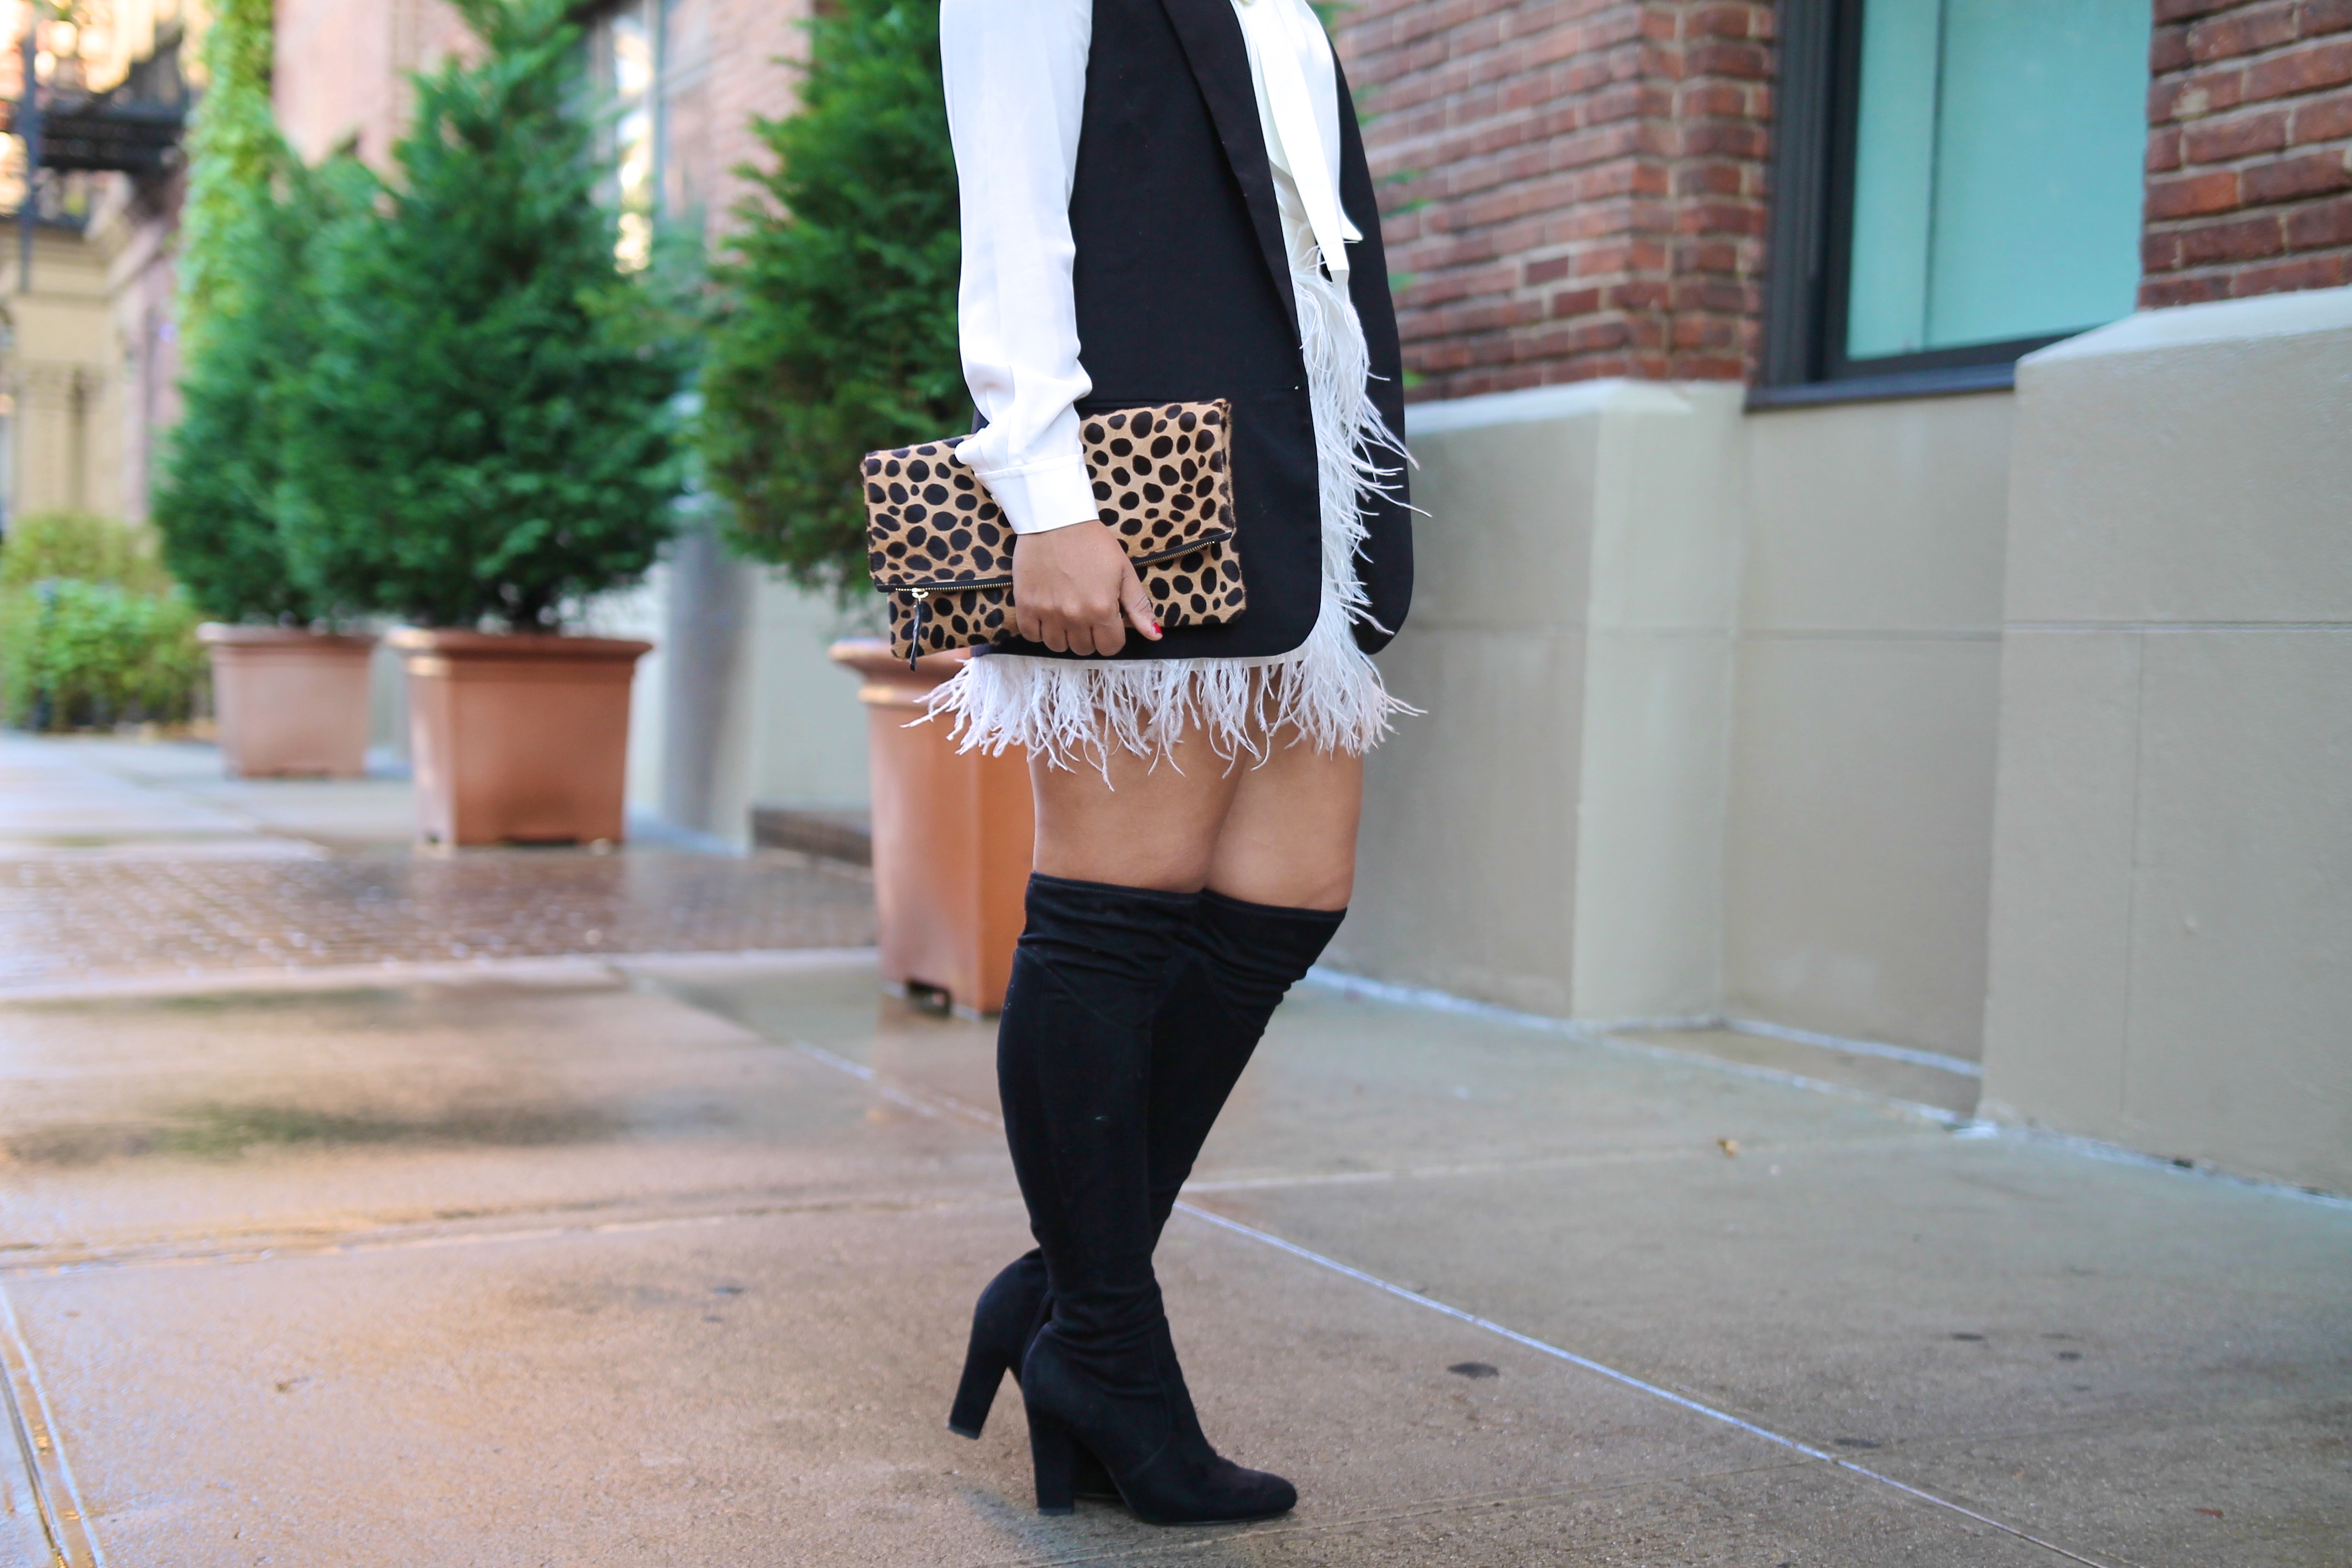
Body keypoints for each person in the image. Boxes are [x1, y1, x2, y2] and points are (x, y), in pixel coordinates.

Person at [932, 0, 1414, 1526]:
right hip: (1139, 477)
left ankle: (1069, 1298)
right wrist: (1042, 489)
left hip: (1301, 470)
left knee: (1292, 890)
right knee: (1116, 903)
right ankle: (1111, 1355)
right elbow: (1009, 206)